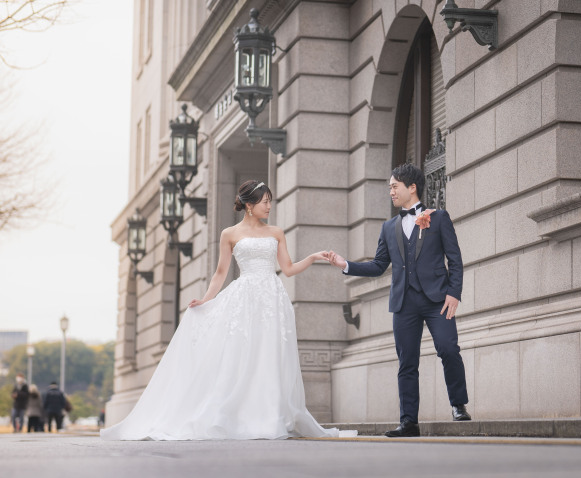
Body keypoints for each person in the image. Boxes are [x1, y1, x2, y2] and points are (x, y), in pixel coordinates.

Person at [101, 180, 356, 441]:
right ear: (249, 205)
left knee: (269, 355)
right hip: (244, 299)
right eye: (265, 201)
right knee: (242, 355)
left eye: (270, 200)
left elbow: (288, 269)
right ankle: (239, 415)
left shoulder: (276, 232)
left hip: (272, 300)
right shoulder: (229, 234)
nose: (269, 205)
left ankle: (269, 416)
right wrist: (205, 300)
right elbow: (220, 273)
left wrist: (313, 257)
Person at [326, 163, 471, 438]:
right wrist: (347, 264)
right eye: (390, 187)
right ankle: (408, 422)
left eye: (394, 186)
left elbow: (455, 259)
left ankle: (458, 405)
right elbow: (379, 265)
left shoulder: (438, 218)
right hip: (404, 303)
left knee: (449, 349)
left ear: (411, 187)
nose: (390, 191)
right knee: (407, 362)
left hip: (437, 299)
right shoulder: (388, 227)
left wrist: (454, 293)